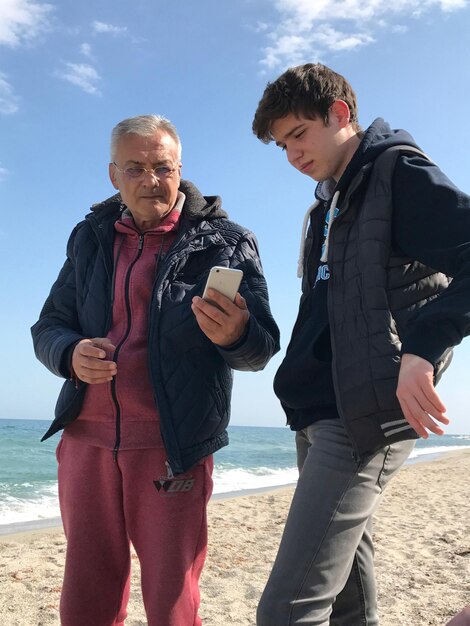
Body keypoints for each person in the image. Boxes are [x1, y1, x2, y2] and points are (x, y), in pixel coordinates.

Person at [31, 114, 280, 626]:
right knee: (86, 592)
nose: (151, 180)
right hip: (85, 440)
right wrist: (69, 353)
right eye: (136, 168)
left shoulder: (227, 240)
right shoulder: (89, 237)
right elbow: (48, 325)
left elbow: (261, 347)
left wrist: (234, 334)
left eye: (162, 167)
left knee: (171, 599)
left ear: (180, 167)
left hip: (173, 445)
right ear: (113, 175)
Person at [252, 63, 470, 625]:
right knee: (348, 598)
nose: (292, 154)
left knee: (285, 610)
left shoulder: (399, 174)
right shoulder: (327, 204)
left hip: (362, 415)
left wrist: (424, 346)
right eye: (281, 145)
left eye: (298, 134)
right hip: (316, 411)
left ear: (340, 114)